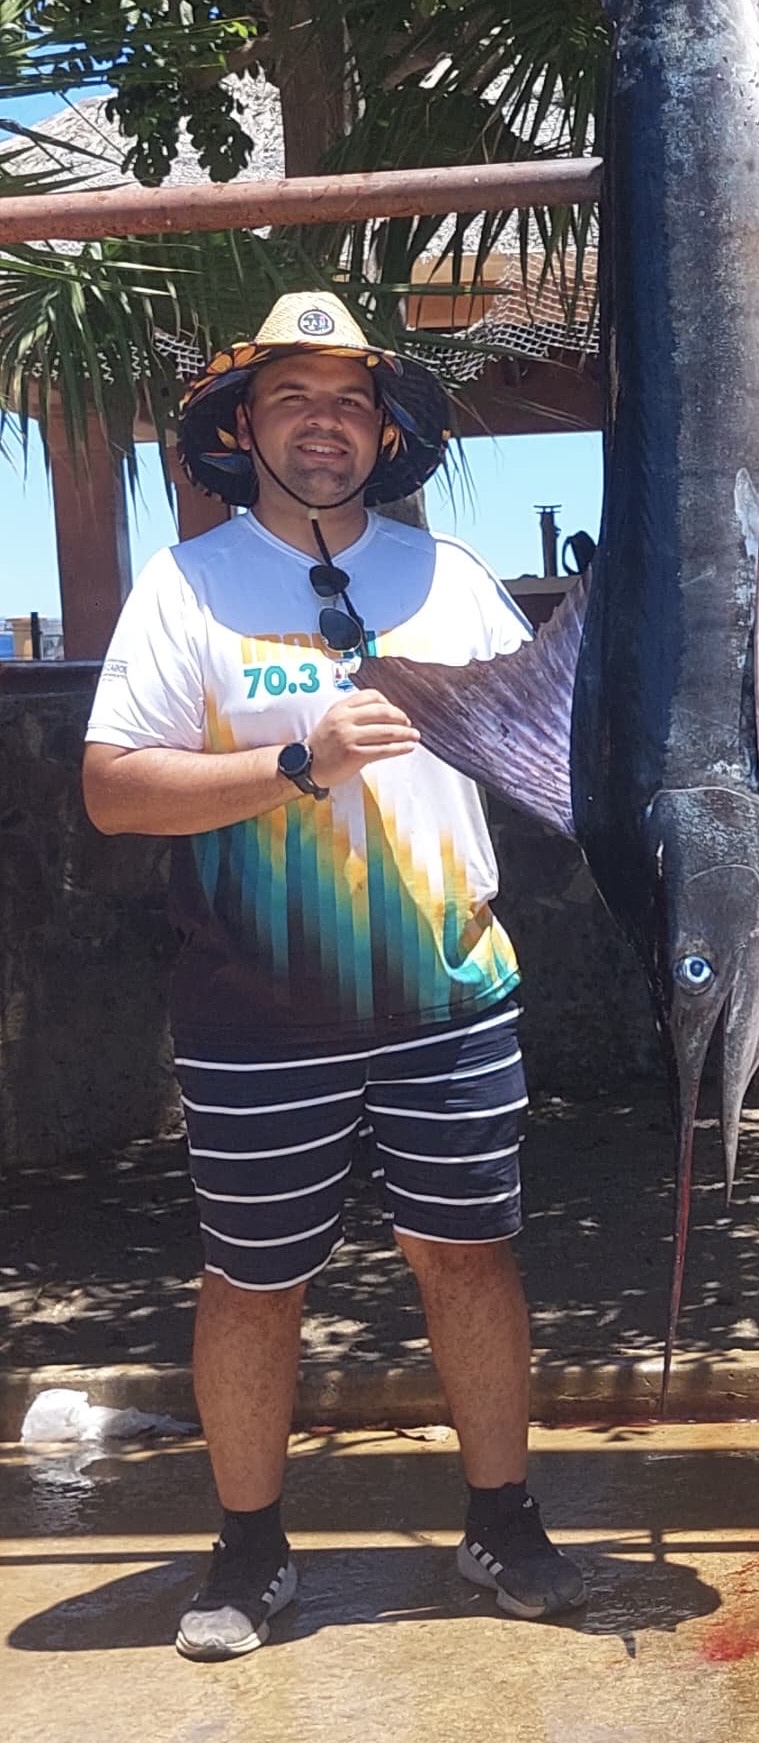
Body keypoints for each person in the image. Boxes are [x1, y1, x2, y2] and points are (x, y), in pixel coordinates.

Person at [83, 292, 586, 1659]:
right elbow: (115, 790)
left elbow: (558, 748)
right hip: (256, 1011)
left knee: (471, 1259)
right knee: (252, 1280)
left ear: (385, 430)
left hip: (451, 994)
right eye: (295, 398)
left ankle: (503, 1515)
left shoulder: (456, 577)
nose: (325, 422)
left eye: (349, 400)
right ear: (243, 428)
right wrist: (296, 762)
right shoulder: (184, 583)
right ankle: (247, 1553)